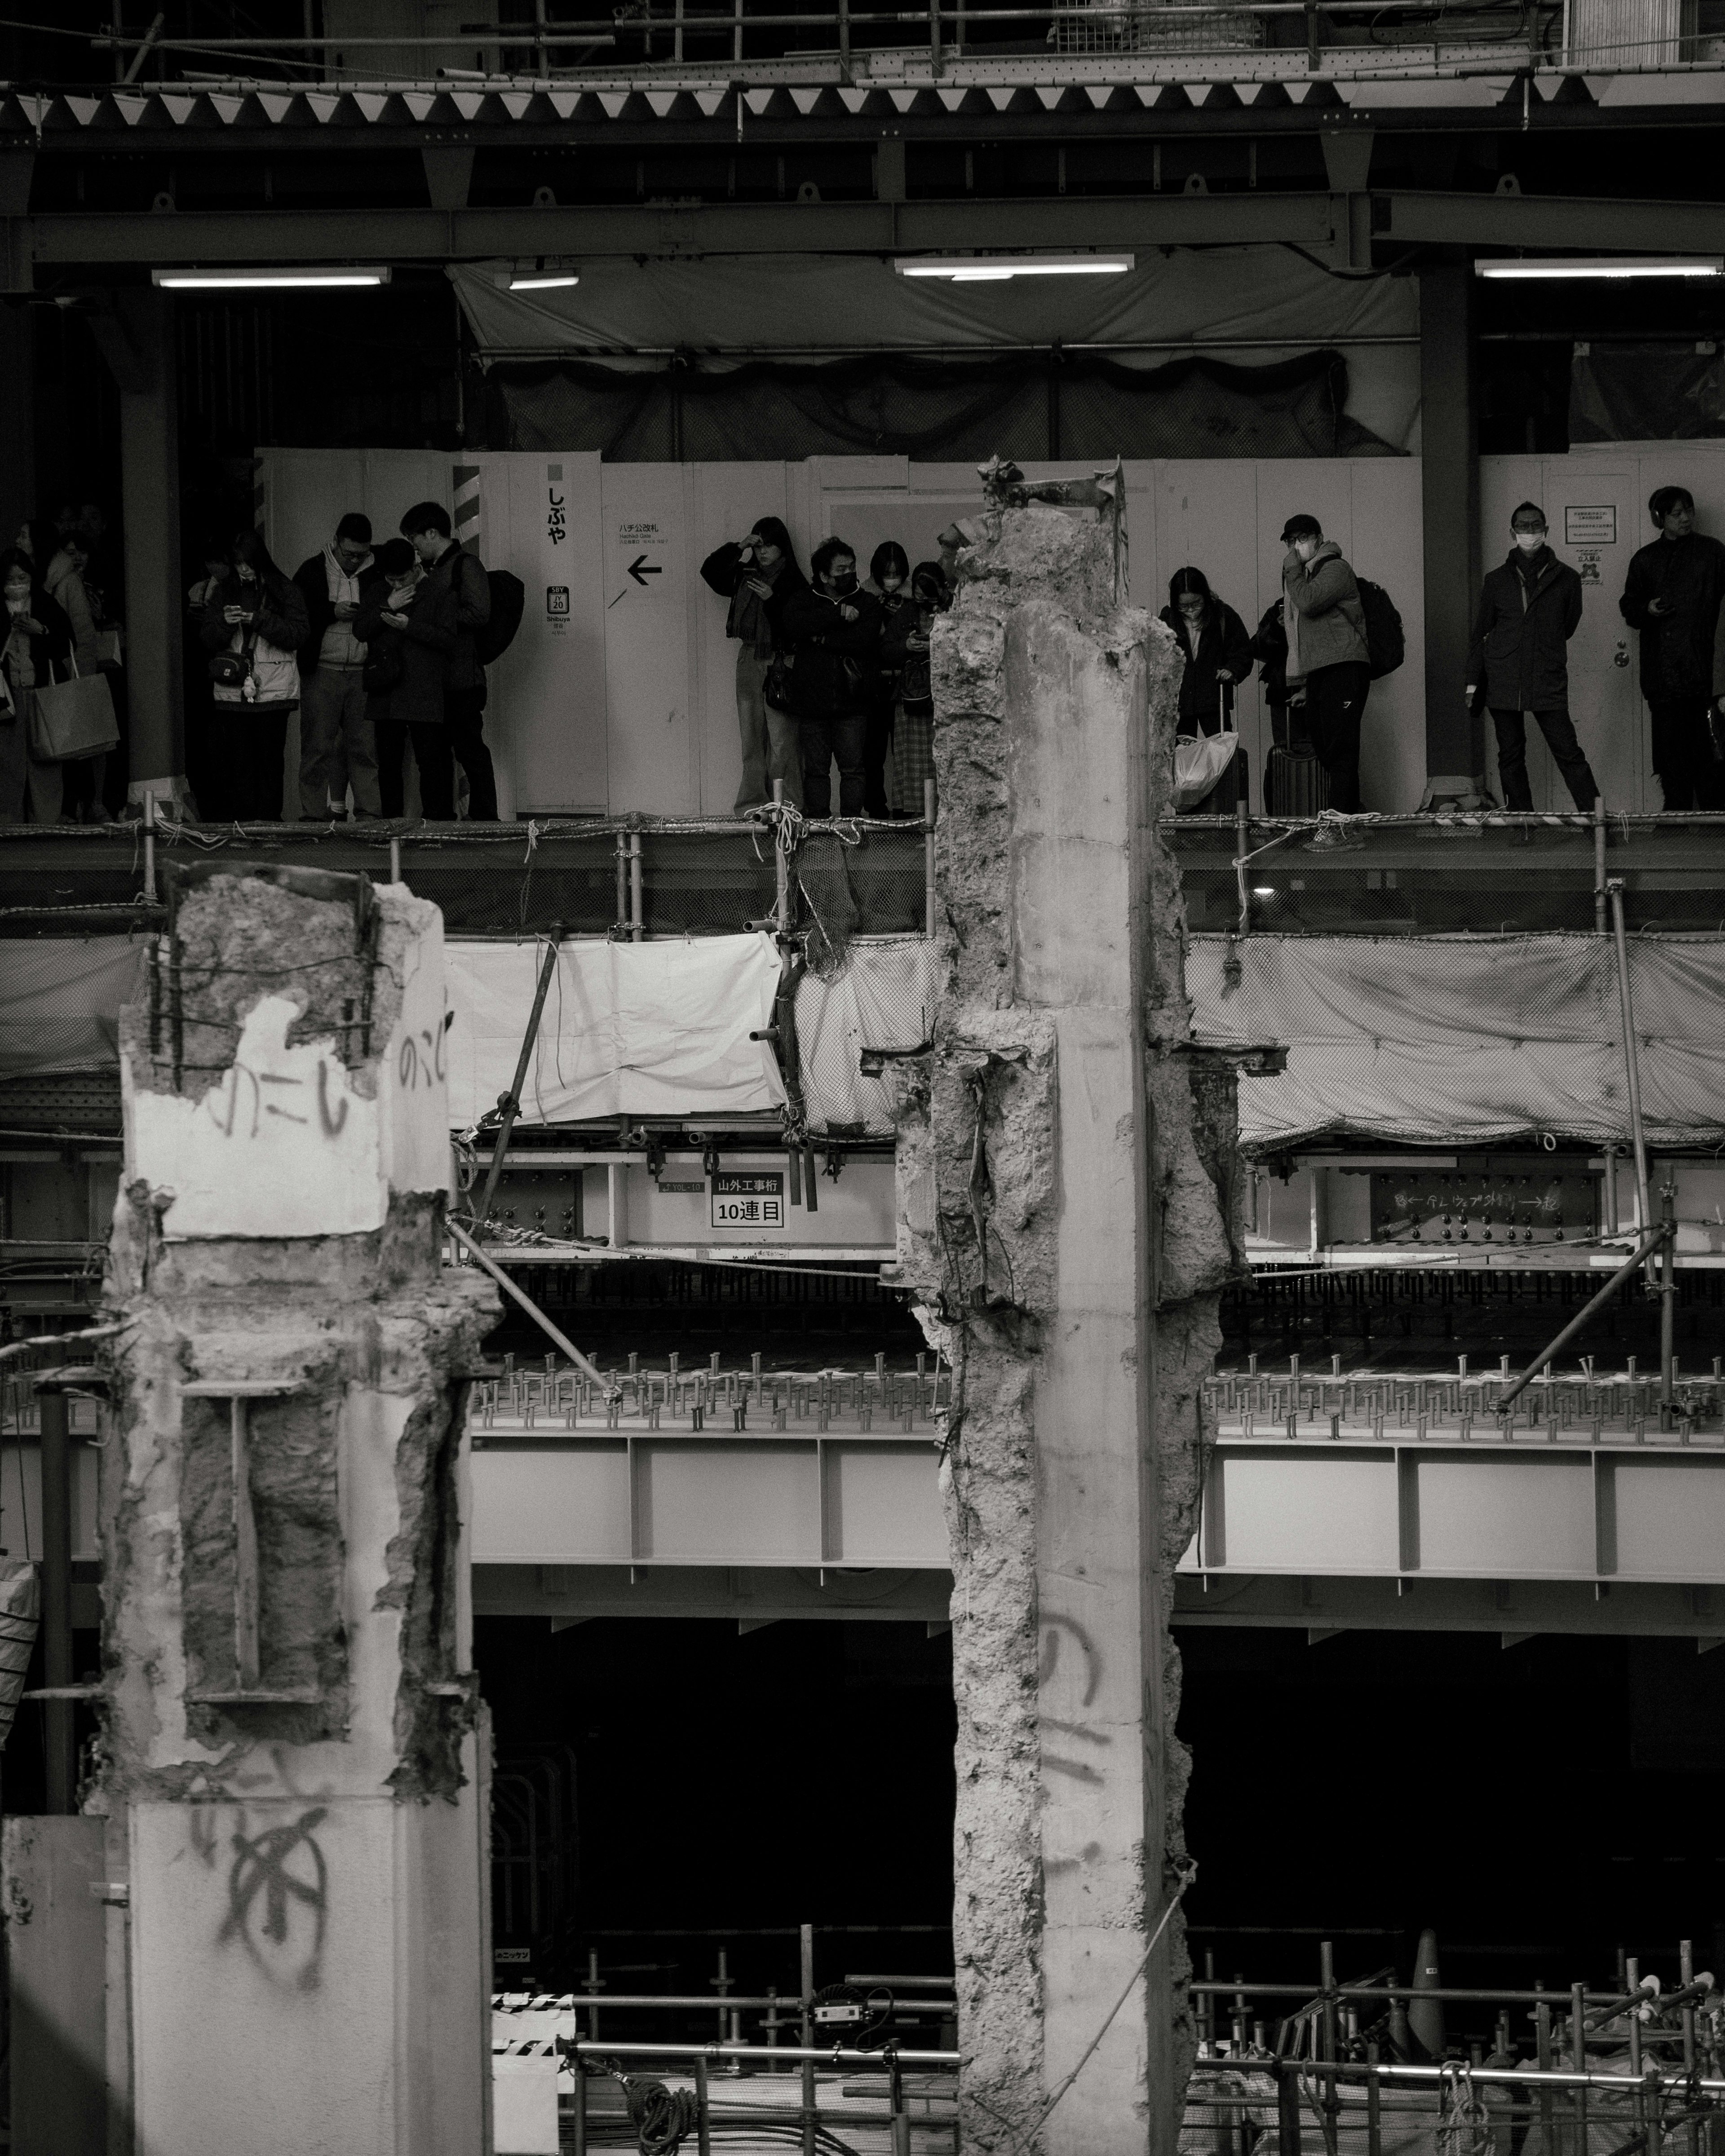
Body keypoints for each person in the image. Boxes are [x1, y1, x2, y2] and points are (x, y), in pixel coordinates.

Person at [1466, 503, 1598, 812]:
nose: (1530, 531)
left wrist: (1542, 646)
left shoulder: (1567, 578)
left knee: (1569, 753)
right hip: (1504, 678)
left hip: (1546, 677)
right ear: (1512, 533)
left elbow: (1568, 625)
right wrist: (1472, 683)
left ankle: (1597, 824)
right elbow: (1481, 632)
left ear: (1547, 530)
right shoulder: (1496, 579)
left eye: (1535, 525)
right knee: (1510, 756)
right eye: (1523, 526)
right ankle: (1521, 824)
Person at [1619, 484, 1725, 811]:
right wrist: (1647, 611)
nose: (1685, 519)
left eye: (1689, 512)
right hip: (1662, 676)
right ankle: (1675, 813)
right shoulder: (1645, 559)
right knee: (1670, 752)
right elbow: (1629, 606)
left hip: (1705, 671)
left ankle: (1713, 817)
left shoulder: (1713, 553)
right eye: (1677, 514)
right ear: (1659, 518)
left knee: (1709, 749)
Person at [195, 529, 310, 821]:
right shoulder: (223, 591)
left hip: (274, 690)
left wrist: (261, 620)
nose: (243, 570)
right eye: (238, 564)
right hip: (233, 690)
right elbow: (208, 638)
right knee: (238, 762)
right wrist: (224, 623)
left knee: (270, 761)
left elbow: (299, 635)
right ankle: (243, 824)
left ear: (261, 560)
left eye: (248, 563)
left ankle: (270, 822)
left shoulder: (285, 589)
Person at [699, 517, 806, 813]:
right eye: (759, 545)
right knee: (751, 738)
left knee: (782, 740)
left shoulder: (794, 581)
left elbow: (798, 626)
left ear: (783, 547)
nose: (763, 552)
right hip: (749, 656)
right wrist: (740, 546)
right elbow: (710, 572)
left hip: (781, 660)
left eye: (769, 545)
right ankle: (751, 806)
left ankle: (789, 807)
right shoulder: (745, 575)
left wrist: (773, 600)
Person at [399, 500, 495, 820]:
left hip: (462, 679)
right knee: (434, 756)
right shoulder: (434, 571)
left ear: (431, 533)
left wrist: (437, 619)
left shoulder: (466, 565)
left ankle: (485, 818)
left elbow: (480, 613)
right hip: (434, 682)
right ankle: (438, 818)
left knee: (470, 750)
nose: (414, 548)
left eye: (415, 540)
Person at [355, 539, 462, 820]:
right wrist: (387, 605)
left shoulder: (439, 590)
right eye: (391, 579)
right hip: (386, 689)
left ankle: (435, 825)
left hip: (424, 688)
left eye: (402, 579)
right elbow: (360, 630)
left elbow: (450, 640)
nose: (397, 585)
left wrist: (410, 626)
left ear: (416, 567)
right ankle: (392, 827)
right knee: (388, 764)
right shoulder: (380, 590)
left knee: (431, 762)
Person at [778, 537, 880, 818]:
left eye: (851, 567)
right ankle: (819, 827)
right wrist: (837, 614)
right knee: (816, 772)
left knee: (853, 770)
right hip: (812, 704)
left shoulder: (868, 602)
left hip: (854, 704)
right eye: (840, 570)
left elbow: (865, 640)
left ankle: (850, 825)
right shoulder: (803, 599)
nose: (848, 573)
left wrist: (820, 639)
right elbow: (793, 626)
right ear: (824, 576)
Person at [1280, 512, 1371, 813]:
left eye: (1303, 539)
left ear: (1319, 538)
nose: (1297, 548)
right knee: (1325, 746)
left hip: (1345, 666)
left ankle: (1339, 823)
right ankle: (1352, 818)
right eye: (1292, 542)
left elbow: (1308, 602)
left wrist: (1291, 570)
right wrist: (1306, 684)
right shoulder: (1306, 575)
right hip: (1321, 671)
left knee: (1341, 748)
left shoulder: (1336, 569)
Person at [292, 511, 380, 822]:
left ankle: (369, 814)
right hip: (322, 669)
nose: (355, 561)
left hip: (363, 671)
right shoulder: (312, 571)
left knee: (365, 749)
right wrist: (333, 611)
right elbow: (298, 615)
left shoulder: (377, 572)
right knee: (317, 747)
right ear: (335, 543)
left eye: (362, 555)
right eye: (349, 554)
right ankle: (313, 815)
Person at [41, 522, 109, 822]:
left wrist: (80, 675)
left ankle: (84, 805)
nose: (76, 557)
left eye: (80, 551)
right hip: (60, 671)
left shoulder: (68, 582)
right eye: (70, 552)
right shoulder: (46, 579)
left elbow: (82, 635)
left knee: (81, 743)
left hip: (74, 671)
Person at [0, 548, 73, 822]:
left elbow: (68, 644)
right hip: (6, 697)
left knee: (47, 759)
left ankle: (46, 822)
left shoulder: (45, 604)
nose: (17, 584)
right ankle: (8, 825)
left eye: (22, 577)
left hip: (43, 694)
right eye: (10, 579)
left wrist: (40, 631)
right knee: (7, 763)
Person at [1159, 568, 1252, 739]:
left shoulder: (1223, 615)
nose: (1191, 610)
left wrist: (1232, 670)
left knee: (1221, 754)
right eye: (1184, 606)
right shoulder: (1168, 619)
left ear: (1206, 596)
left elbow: (1242, 651)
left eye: (1196, 603)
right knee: (1183, 759)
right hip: (1179, 702)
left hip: (1215, 697)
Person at [893, 561, 948, 820]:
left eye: (929, 596)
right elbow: (883, 650)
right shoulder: (906, 613)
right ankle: (913, 819)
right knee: (913, 764)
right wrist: (907, 646)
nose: (924, 602)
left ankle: (943, 816)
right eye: (918, 596)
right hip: (912, 696)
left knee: (943, 761)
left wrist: (939, 641)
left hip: (945, 696)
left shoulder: (953, 611)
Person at [863, 541, 914, 817]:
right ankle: (876, 809)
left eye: (897, 573)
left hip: (904, 684)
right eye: (886, 574)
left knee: (904, 752)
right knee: (873, 753)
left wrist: (901, 621)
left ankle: (905, 809)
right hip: (874, 683)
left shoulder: (912, 599)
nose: (892, 580)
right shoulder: (865, 596)